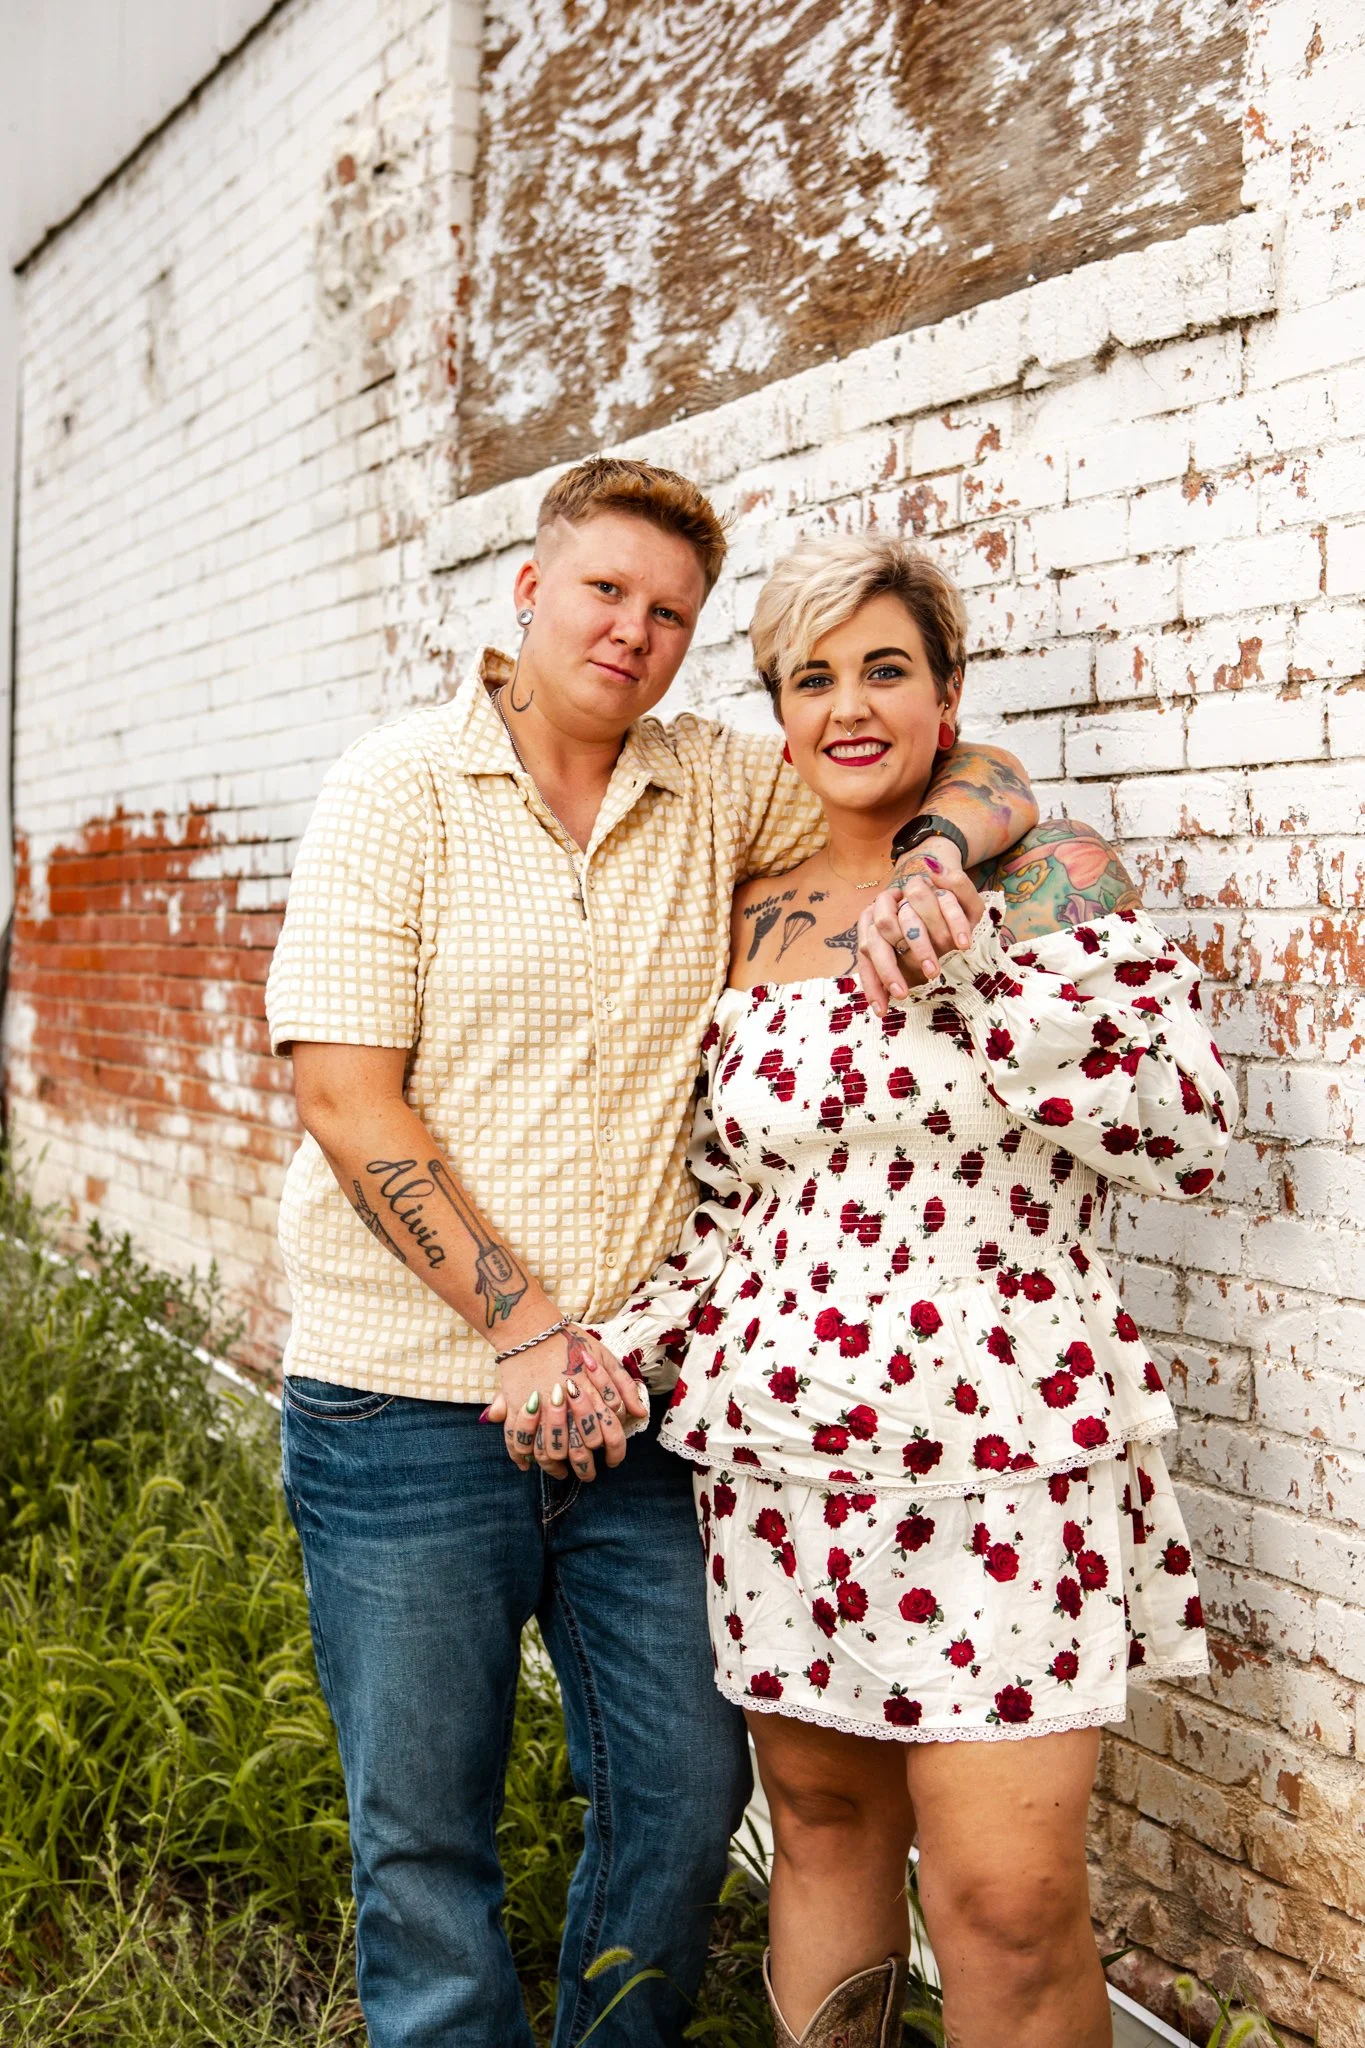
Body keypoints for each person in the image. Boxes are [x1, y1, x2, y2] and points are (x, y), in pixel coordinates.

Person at [263, 459, 1038, 2048]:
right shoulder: (396, 789)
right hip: (401, 1407)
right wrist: (523, 1327)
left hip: (636, 1410)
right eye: (604, 590)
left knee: (685, 1800)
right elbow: (345, 1096)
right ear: (529, 592)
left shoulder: (719, 787)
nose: (632, 628)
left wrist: (936, 856)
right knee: (422, 1836)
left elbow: (976, 769)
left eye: (670, 612)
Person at [596, 534, 1232, 2048]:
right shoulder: (749, 912)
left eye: (887, 669)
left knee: (1006, 1900)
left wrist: (976, 971)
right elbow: (732, 1209)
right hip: (782, 1466)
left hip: (1005, 1461)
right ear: (780, 715)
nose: (850, 706)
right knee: (821, 1838)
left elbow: (1185, 1130)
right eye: (811, 678)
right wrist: (627, 1347)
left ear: (948, 698)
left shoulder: (1052, 874)